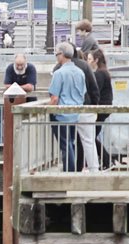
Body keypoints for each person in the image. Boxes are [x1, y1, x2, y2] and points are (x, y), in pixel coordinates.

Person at [48, 42, 88, 172]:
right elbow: (83, 93)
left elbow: (54, 98)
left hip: (61, 115)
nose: (56, 57)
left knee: (65, 145)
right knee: (71, 142)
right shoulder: (80, 72)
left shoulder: (59, 73)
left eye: (57, 54)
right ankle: (73, 169)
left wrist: (48, 110)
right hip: (75, 114)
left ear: (62, 55)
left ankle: (69, 171)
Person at [70, 46, 102, 171]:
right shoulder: (84, 66)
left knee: (68, 142)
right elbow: (94, 89)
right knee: (89, 141)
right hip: (86, 107)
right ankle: (94, 170)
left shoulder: (59, 67)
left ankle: (70, 169)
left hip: (66, 110)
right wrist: (94, 105)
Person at [0, 54, 36, 144]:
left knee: (31, 120)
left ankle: (29, 143)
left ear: (25, 63)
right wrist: (23, 87)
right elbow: (6, 85)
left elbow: (30, 87)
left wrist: (15, 87)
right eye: (17, 65)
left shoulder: (31, 68)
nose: (19, 67)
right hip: (11, 100)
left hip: (29, 101)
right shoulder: (10, 68)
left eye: (21, 65)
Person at [89, 48, 114, 168]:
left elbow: (95, 91)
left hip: (100, 108)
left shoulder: (99, 74)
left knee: (90, 136)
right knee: (91, 136)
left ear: (96, 60)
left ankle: (107, 160)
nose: (88, 61)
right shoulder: (104, 72)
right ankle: (106, 160)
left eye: (90, 59)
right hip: (105, 107)